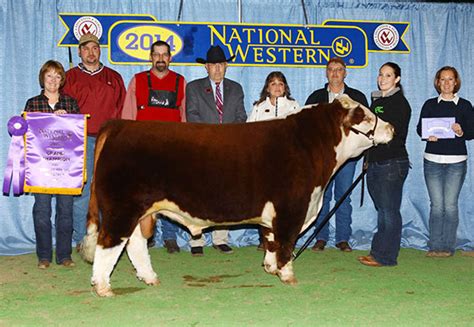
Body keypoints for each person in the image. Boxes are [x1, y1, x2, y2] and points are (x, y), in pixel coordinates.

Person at [63, 33, 126, 251]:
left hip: (108, 139)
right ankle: (82, 238)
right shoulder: (69, 78)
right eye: (86, 48)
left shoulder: (114, 77)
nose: (91, 52)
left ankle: (104, 236)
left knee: (107, 189)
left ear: (100, 51)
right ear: (79, 52)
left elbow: (122, 111)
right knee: (83, 189)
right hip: (80, 139)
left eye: (95, 48)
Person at [121, 40, 185, 254]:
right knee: (142, 195)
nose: (160, 58)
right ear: (150, 56)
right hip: (144, 150)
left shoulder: (180, 81)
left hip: (173, 149)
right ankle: (142, 238)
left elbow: (184, 118)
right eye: (156, 54)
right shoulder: (138, 80)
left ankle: (169, 237)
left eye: (164, 54)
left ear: (170, 58)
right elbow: (128, 116)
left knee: (170, 195)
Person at [186, 45, 247, 256]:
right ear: (206, 67)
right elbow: (192, 116)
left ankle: (220, 238)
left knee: (225, 195)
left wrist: (228, 140)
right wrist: (211, 139)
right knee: (199, 195)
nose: (217, 69)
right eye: (213, 65)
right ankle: (196, 240)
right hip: (202, 148)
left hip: (229, 149)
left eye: (220, 64)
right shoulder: (193, 88)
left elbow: (241, 117)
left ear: (226, 66)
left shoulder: (236, 88)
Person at [305, 57, 369, 253]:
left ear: (345, 73)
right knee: (321, 197)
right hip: (322, 158)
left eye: (339, 69)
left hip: (347, 158)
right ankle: (320, 238)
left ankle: (343, 238)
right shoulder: (316, 97)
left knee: (343, 197)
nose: (334, 73)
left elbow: (366, 127)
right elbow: (305, 128)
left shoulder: (356, 98)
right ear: (326, 73)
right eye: (331, 69)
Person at [24, 60, 80, 269]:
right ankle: (44, 256)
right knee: (41, 212)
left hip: (65, 168)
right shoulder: (32, 104)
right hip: (41, 169)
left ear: (62, 80)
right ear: (43, 78)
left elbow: (78, 135)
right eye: (49, 76)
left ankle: (64, 255)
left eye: (57, 76)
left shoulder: (71, 104)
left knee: (66, 212)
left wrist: (68, 119)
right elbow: (26, 134)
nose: (53, 81)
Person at [416, 66, 474, 257]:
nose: (447, 83)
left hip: (456, 161)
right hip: (432, 159)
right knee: (436, 205)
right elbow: (420, 129)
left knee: (450, 205)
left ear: (456, 82)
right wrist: (427, 135)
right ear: (438, 82)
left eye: (450, 79)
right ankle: (434, 245)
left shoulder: (465, 105)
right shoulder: (430, 104)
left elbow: (472, 132)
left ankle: (447, 247)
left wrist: (461, 131)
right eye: (443, 79)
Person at [358, 62, 411, 267]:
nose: (382, 79)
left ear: (396, 79)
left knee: (389, 210)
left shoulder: (399, 103)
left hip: (392, 162)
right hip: (376, 161)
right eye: (381, 75)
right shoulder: (377, 101)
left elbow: (391, 134)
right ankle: (378, 252)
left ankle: (387, 257)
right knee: (383, 210)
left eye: (388, 75)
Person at [248, 71, 299, 250]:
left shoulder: (293, 106)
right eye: (273, 84)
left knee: (285, 203)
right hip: (263, 163)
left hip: (286, 163)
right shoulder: (258, 107)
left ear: (285, 87)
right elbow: (249, 133)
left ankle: (284, 238)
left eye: (280, 83)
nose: (277, 87)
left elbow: (299, 136)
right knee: (263, 203)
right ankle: (265, 239)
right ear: (267, 88)